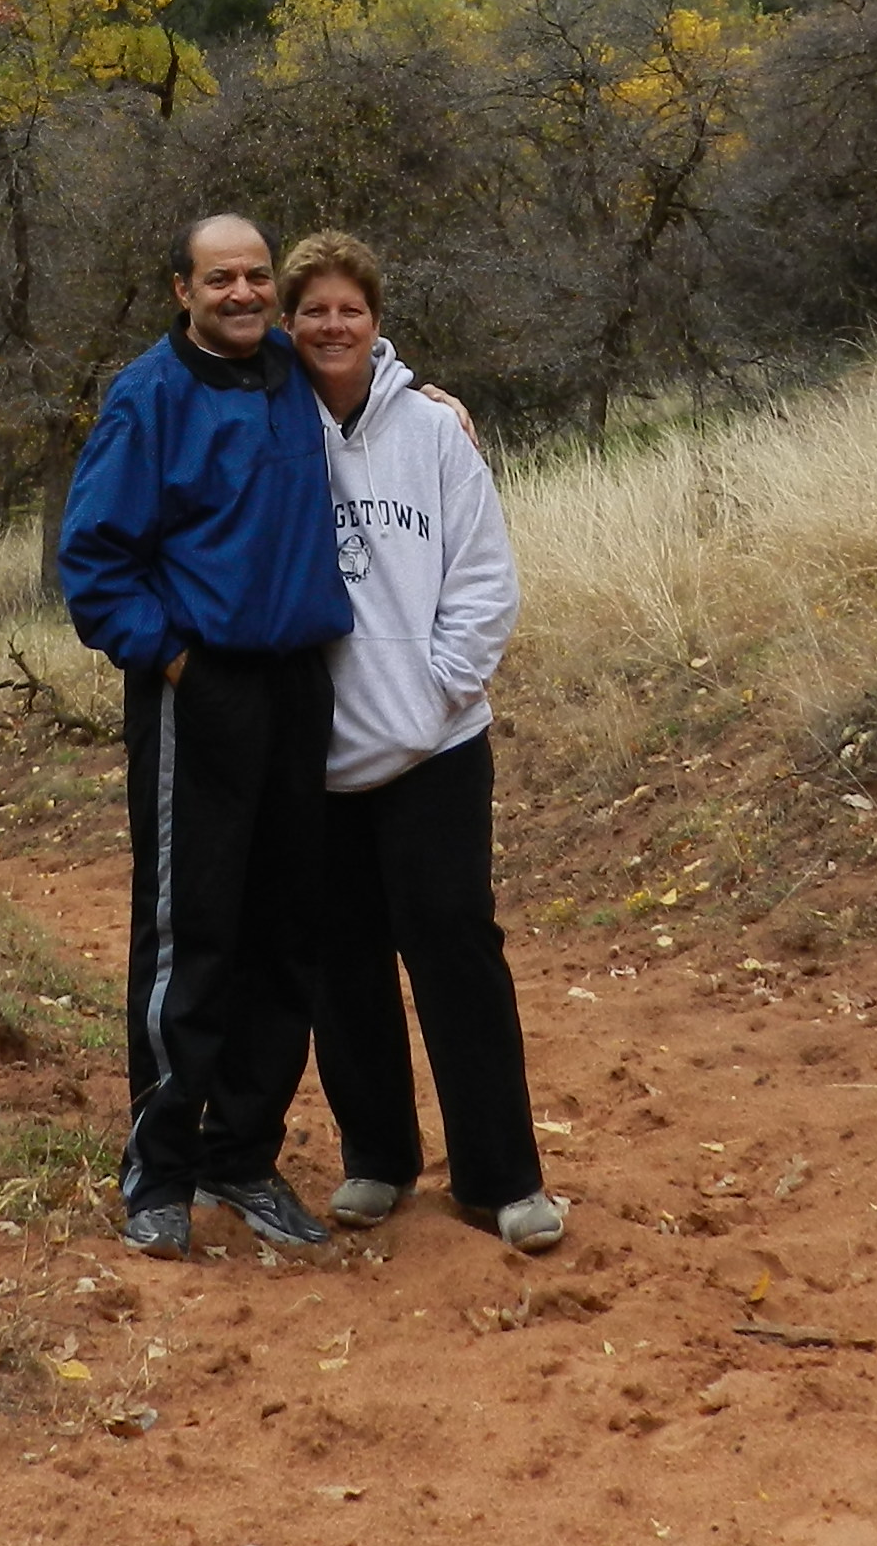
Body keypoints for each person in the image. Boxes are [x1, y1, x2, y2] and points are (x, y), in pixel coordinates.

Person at [53, 211, 353, 1261]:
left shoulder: (288, 370)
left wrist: (436, 401)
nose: (243, 294)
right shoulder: (149, 397)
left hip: (299, 683)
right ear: (182, 290)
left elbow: (361, 355)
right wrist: (176, 662)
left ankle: (243, 1155)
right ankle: (161, 1167)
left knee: (286, 931)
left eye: (257, 277)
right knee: (194, 931)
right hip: (200, 687)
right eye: (220, 278)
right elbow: (93, 563)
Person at [278, 228, 564, 1254]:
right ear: (287, 322)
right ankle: (377, 1160)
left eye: (349, 308)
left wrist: (438, 690)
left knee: (454, 947)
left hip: (436, 747)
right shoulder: (265, 424)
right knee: (341, 961)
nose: (332, 325)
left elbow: (485, 578)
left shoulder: (435, 430)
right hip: (315, 757)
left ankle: (503, 1178)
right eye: (313, 310)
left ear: (376, 318)